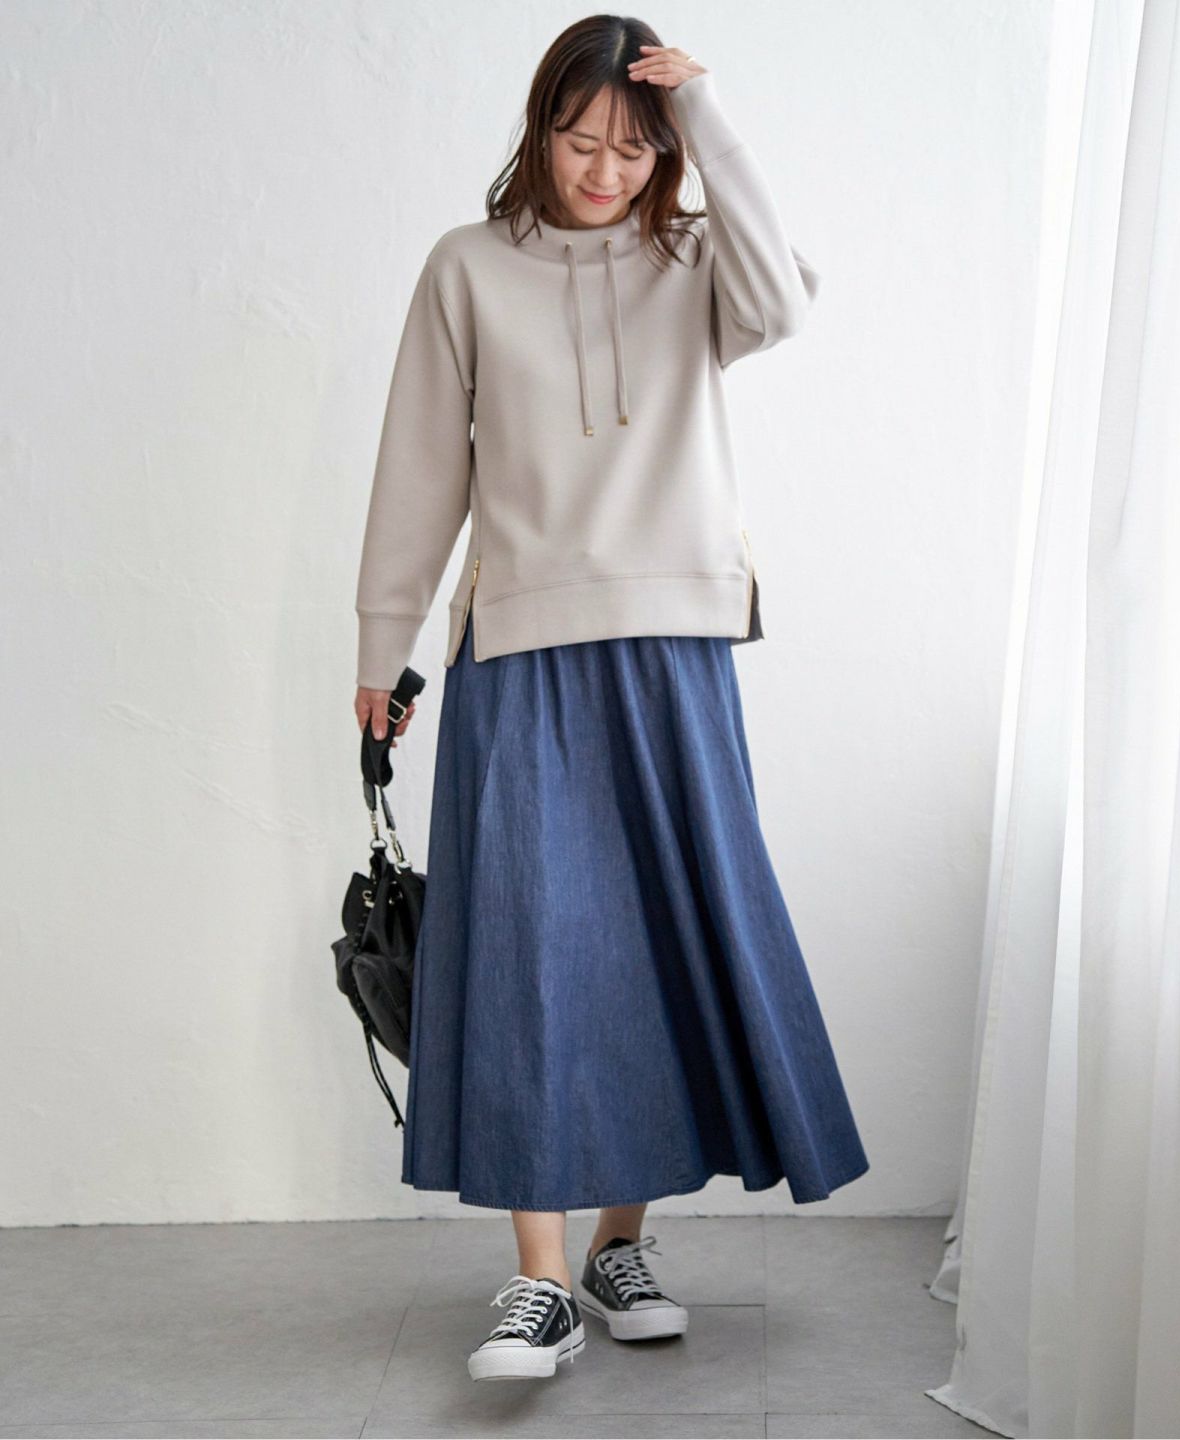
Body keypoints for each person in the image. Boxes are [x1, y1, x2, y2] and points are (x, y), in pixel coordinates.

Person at [352, 15, 870, 1384]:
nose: (604, 171)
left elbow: (785, 303)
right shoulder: (466, 268)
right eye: (581, 141)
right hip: (518, 646)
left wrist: (712, 113)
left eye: (635, 151)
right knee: (526, 946)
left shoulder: (696, 262)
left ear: (669, 154)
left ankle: (619, 1245)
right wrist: (381, 647)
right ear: (538, 132)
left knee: (654, 939)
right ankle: (536, 1280)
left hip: (676, 640)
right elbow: (420, 467)